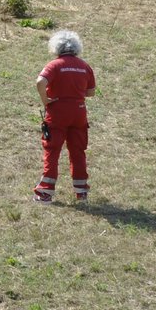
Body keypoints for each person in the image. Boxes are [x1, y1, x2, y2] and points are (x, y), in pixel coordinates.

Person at [33, 30, 97, 204]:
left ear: (56, 47)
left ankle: (45, 193)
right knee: (78, 151)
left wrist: (46, 100)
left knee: (52, 151)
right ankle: (81, 191)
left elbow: (40, 82)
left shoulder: (55, 65)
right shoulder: (84, 66)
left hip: (57, 113)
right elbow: (90, 92)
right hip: (79, 112)